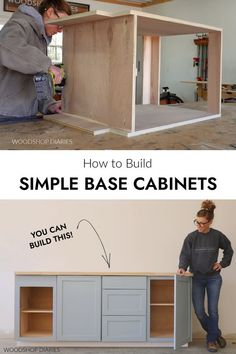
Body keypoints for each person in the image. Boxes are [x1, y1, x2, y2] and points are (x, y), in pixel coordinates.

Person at [177, 200, 234, 353]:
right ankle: (216, 334)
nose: (199, 226)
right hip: (197, 278)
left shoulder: (217, 236)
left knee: (213, 310)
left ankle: (211, 341)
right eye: (197, 222)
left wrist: (222, 263)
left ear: (210, 222)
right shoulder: (191, 237)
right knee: (199, 311)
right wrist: (182, 267)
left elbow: (229, 250)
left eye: (202, 223)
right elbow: (185, 255)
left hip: (214, 278)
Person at [0, 0, 71, 120]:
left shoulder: (41, 38)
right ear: (49, 12)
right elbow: (7, 46)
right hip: (5, 113)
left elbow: (38, 80)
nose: (60, 30)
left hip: (27, 114)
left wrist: (49, 105)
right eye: (60, 24)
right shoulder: (20, 24)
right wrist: (47, 65)